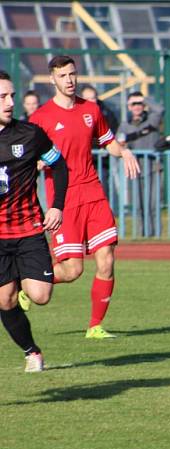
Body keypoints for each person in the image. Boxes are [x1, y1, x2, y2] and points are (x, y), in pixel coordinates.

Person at [27, 55, 140, 339]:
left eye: (73, 74)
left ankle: (95, 327)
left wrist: (124, 151)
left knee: (107, 260)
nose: (70, 80)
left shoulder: (91, 110)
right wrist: (36, 163)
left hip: (93, 192)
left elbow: (109, 143)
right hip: (64, 200)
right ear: (52, 79)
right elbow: (27, 157)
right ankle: (26, 282)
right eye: (63, 76)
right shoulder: (40, 118)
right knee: (73, 269)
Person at [0, 70, 68, 371]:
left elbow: (60, 165)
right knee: (5, 301)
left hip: (29, 229)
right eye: (3, 97)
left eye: (12, 95)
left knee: (40, 295)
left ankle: (22, 274)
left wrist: (56, 207)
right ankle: (32, 352)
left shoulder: (30, 134)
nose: (10, 102)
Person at [117, 91, 164, 237]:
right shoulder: (125, 126)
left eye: (139, 104)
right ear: (129, 107)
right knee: (138, 205)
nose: (137, 107)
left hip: (153, 168)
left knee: (153, 205)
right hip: (134, 169)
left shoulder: (151, 120)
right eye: (133, 104)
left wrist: (144, 99)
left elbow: (160, 110)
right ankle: (141, 236)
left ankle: (156, 237)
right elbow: (118, 143)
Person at [80, 85, 120, 199]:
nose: (91, 101)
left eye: (93, 98)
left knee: (102, 190)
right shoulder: (75, 112)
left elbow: (112, 131)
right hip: (83, 160)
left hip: (102, 159)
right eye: (87, 99)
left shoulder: (105, 112)